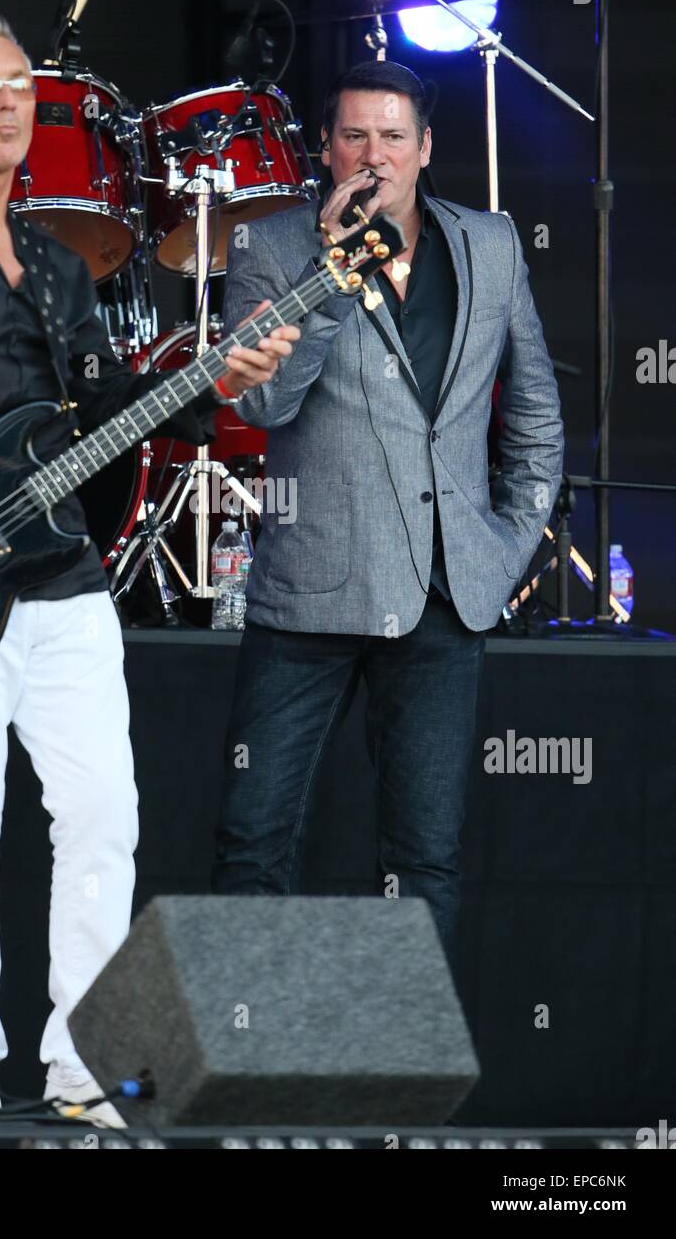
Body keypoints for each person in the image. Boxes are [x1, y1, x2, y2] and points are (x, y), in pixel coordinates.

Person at [0, 7, 300, 1120]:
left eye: (22, 84)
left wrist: (208, 383)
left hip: (65, 577)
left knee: (102, 817)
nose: (12, 101)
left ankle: (82, 1077)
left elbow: (107, 410)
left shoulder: (53, 260)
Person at [211, 59, 564, 968]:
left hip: (449, 592)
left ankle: (400, 1088)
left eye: (393, 137)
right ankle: (244, 1071)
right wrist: (330, 276)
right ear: (326, 150)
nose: (375, 155)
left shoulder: (489, 244)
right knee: (255, 841)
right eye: (355, 137)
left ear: (426, 147)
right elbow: (263, 406)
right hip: (313, 590)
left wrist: (507, 542)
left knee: (422, 856)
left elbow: (534, 412)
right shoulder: (267, 249)